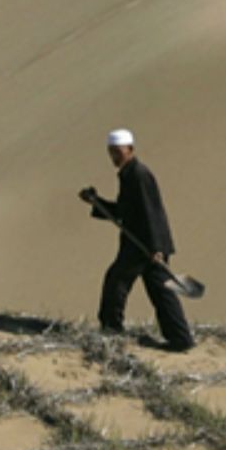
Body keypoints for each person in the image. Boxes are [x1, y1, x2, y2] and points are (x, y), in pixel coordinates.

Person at [80, 128, 193, 352]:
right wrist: (96, 202)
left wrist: (157, 248)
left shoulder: (138, 174)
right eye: (111, 152)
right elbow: (124, 211)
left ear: (130, 150)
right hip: (142, 243)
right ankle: (180, 338)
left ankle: (112, 330)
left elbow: (151, 212)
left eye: (118, 151)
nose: (114, 156)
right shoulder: (128, 173)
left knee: (117, 281)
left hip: (144, 245)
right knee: (161, 291)